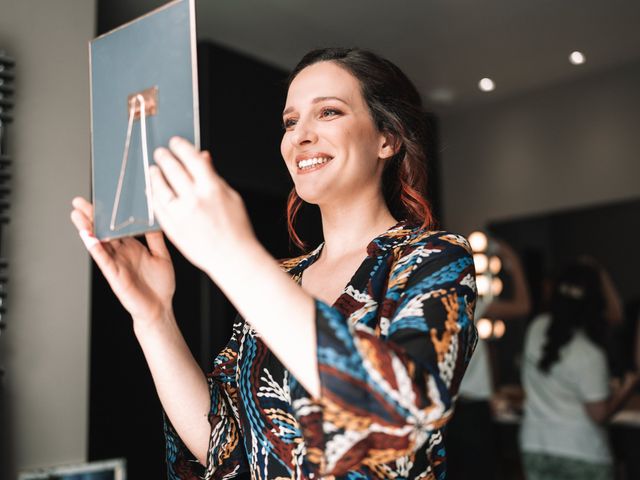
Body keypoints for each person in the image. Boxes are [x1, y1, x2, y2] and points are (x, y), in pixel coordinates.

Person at [70, 48, 477, 479]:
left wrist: (234, 254)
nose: (300, 136)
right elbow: (223, 447)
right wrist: (154, 317)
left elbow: (403, 415)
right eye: (290, 121)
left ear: (386, 139)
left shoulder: (433, 258)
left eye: (329, 112)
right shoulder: (283, 278)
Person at [519, 260, 640, 480]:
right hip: (581, 451)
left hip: (535, 446)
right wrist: (627, 389)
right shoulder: (588, 354)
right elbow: (599, 414)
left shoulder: (536, 328)